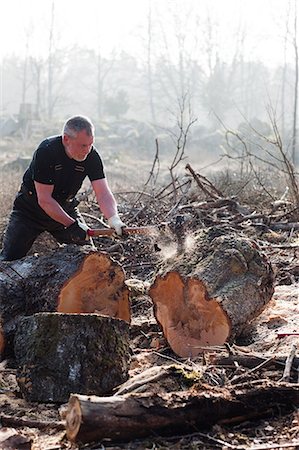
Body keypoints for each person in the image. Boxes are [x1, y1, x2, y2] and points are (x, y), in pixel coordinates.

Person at [0, 115, 125, 261]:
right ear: (66, 139)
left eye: (91, 144)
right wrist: (72, 225)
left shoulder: (92, 156)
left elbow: (103, 193)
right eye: (83, 145)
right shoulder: (46, 151)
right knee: (9, 260)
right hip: (30, 212)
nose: (87, 150)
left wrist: (113, 218)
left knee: (89, 257)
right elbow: (45, 200)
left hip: (65, 208)